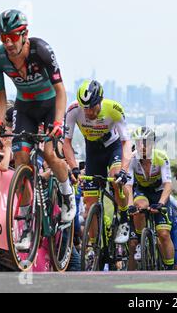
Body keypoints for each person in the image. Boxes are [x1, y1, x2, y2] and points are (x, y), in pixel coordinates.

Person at [0, 9, 76, 250]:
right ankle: (27, 225)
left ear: (24, 34)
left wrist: (58, 124)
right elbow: (0, 94)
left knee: (49, 152)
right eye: (3, 37)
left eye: (13, 36)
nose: (8, 42)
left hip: (50, 105)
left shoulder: (42, 50)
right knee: (22, 160)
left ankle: (67, 194)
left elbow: (61, 91)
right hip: (25, 107)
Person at [63, 79, 132, 244]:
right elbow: (66, 143)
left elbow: (126, 142)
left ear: (100, 101)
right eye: (84, 108)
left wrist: (124, 170)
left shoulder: (113, 109)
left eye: (92, 107)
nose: (88, 112)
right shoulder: (73, 110)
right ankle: (94, 246)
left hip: (113, 147)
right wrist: (74, 168)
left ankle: (123, 218)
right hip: (92, 151)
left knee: (116, 179)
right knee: (89, 203)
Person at [126, 127, 175, 270]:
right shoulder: (132, 159)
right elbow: (128, 186)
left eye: (145, 142)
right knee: (139, 206)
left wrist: (160, 203)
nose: (142, 146)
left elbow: (168, 184)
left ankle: (169, 268)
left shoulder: (160, 157)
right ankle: (142, 242)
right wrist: (130, 205)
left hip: (160, 193)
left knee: (164, 234)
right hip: (142, 191)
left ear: (152, 144)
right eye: (139, 142)